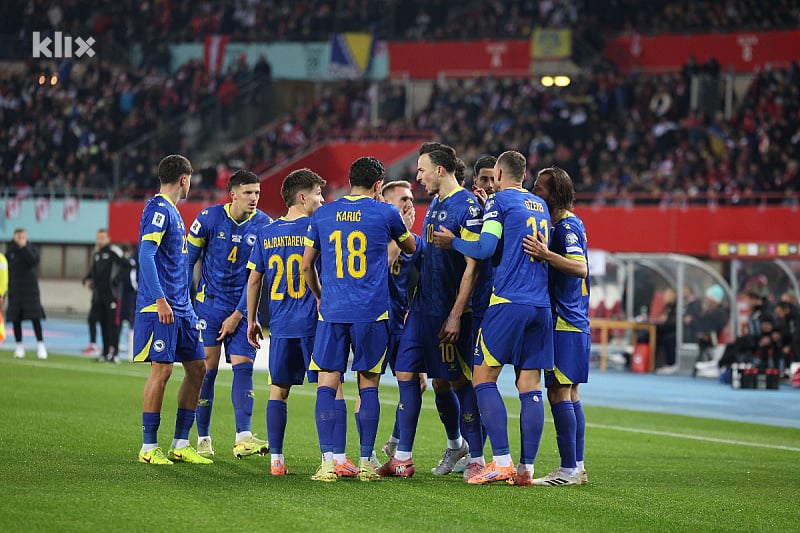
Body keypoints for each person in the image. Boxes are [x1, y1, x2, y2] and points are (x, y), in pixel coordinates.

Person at [433, 151, 552, 485]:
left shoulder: (499, 202)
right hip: (540, 306)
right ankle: (526, 470)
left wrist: (454, 241)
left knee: (483, 378)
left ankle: (501, 461)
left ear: (498, 174)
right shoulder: (539, 205)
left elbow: (484, 249)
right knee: (530, 385)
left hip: (508, 302)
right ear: (524, 175)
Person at [302, 156, 416, 482]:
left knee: (327, 383)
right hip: (372, 313)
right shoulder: (386, 213)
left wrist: (320, 295)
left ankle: (328, 463)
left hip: (333, 311)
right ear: (378, 185)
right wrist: (403, 226)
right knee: (368, 386)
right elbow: (410, 248)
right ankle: (366, 463)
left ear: (351, 180)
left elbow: (306, 265)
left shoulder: (323, 214)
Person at [379, 142, 485, 480]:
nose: (419, 177)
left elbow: (474, 265)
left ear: (440, 170)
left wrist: (456, 313)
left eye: (422, 170)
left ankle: (477, 457)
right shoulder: (436, 202)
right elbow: (429, 253)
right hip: (421, 308)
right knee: (406, 373)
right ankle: (403, 458)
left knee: (457, 381)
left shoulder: (467, 207)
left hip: (448, 312)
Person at [186, 169, 273, 459]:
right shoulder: (209, 218)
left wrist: (239, 314)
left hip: (243, 308)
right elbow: (188, 263)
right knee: (207, 371)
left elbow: (257, 278)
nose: (254, 197)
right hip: (208, 307)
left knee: (244, 368)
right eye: (248, 192)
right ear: (233, 194)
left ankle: (243, 437)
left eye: (257, 192)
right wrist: (186, 304)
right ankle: (203, 438)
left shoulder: (264, 225)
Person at [246, 168, 327, 476]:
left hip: (280, 325)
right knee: (328, 387)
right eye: (318, 194)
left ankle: (277, 461)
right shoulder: (317, 226)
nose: (322, 200)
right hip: (313, 322)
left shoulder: (266, 232)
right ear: (302, 197)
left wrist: (252, 319)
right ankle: (330, 458)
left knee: (278, 390)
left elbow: (254, 280)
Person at [134, 154, 211, 466]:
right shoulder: (159, 209)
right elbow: (145, 254)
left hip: (182, 308)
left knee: (198, 368)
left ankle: (180, 443)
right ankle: (148, 446)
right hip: (161, 307)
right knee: (162, 370)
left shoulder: (174, 212)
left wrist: (185, 305)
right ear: (184, 179)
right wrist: (160, 299)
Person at [523, 165, 591, 486]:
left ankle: (567, 470)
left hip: (565, 320)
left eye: (539, 188)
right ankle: (577, 466)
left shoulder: (565, 228)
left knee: (558, 392)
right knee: (570, 393)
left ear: (554, 195)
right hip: (574, 320)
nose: (534, 192)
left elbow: (580, 268)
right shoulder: (568, 224)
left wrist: (545, 254)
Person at [374, 179, 426, 459]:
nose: (409, 205)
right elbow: (381, 264)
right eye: (403, 200)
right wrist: (401, 231)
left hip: (402, 324)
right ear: (386, 203)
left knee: (417, 383)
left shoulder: (413, 242)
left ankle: (395, 443)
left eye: (411, 200)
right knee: (368, 385)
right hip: (376, 321)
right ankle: (366, 455)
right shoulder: (374, 235)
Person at [83, 229, 129, 363]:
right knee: (102, 323)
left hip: (112, 295)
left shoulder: (113, 251)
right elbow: (93, 272)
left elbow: (127, 265)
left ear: (108, 238)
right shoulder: (97, 254)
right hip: (99, 295)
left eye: (102, 238)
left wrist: (116, 281)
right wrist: (87, 280)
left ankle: (115, 353)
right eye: (98, 238)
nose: (100, 240)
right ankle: (105, 352)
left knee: (113, 324)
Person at [6, 228, 47, 360]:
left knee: (35, 318)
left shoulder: (32, 250)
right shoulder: (10, 252)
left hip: (30, 290)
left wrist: (24, 248)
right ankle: (19, 346)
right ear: (14, 237)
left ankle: (40, 345)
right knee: (16, 319)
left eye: (22, 237)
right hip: (15, 290)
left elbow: (34, 261)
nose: (20, 239)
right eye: (18, 237)